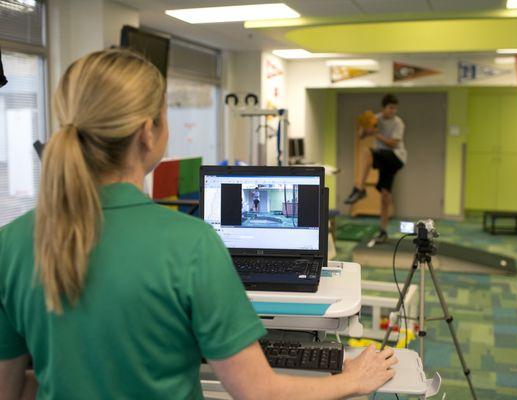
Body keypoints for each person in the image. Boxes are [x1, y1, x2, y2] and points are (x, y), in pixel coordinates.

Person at [0, 49, 397, 400]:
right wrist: (352, 378)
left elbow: (10, 388)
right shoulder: (190, 244)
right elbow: (259, 391)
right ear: (147, 132)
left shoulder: (12, 243)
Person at [344, 94, 407, 244]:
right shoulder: (376, 119)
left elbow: (392, 144)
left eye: (395, 108)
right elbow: (360, 136)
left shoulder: (398, 123)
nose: (393, 111)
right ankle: (383, 231)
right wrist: (365, 128)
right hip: (384, 160)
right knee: (385, 195)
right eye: (390, 107)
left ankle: (359, 188)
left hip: (396, 157)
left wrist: (375, 134)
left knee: (368, 152)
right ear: (383, 108)